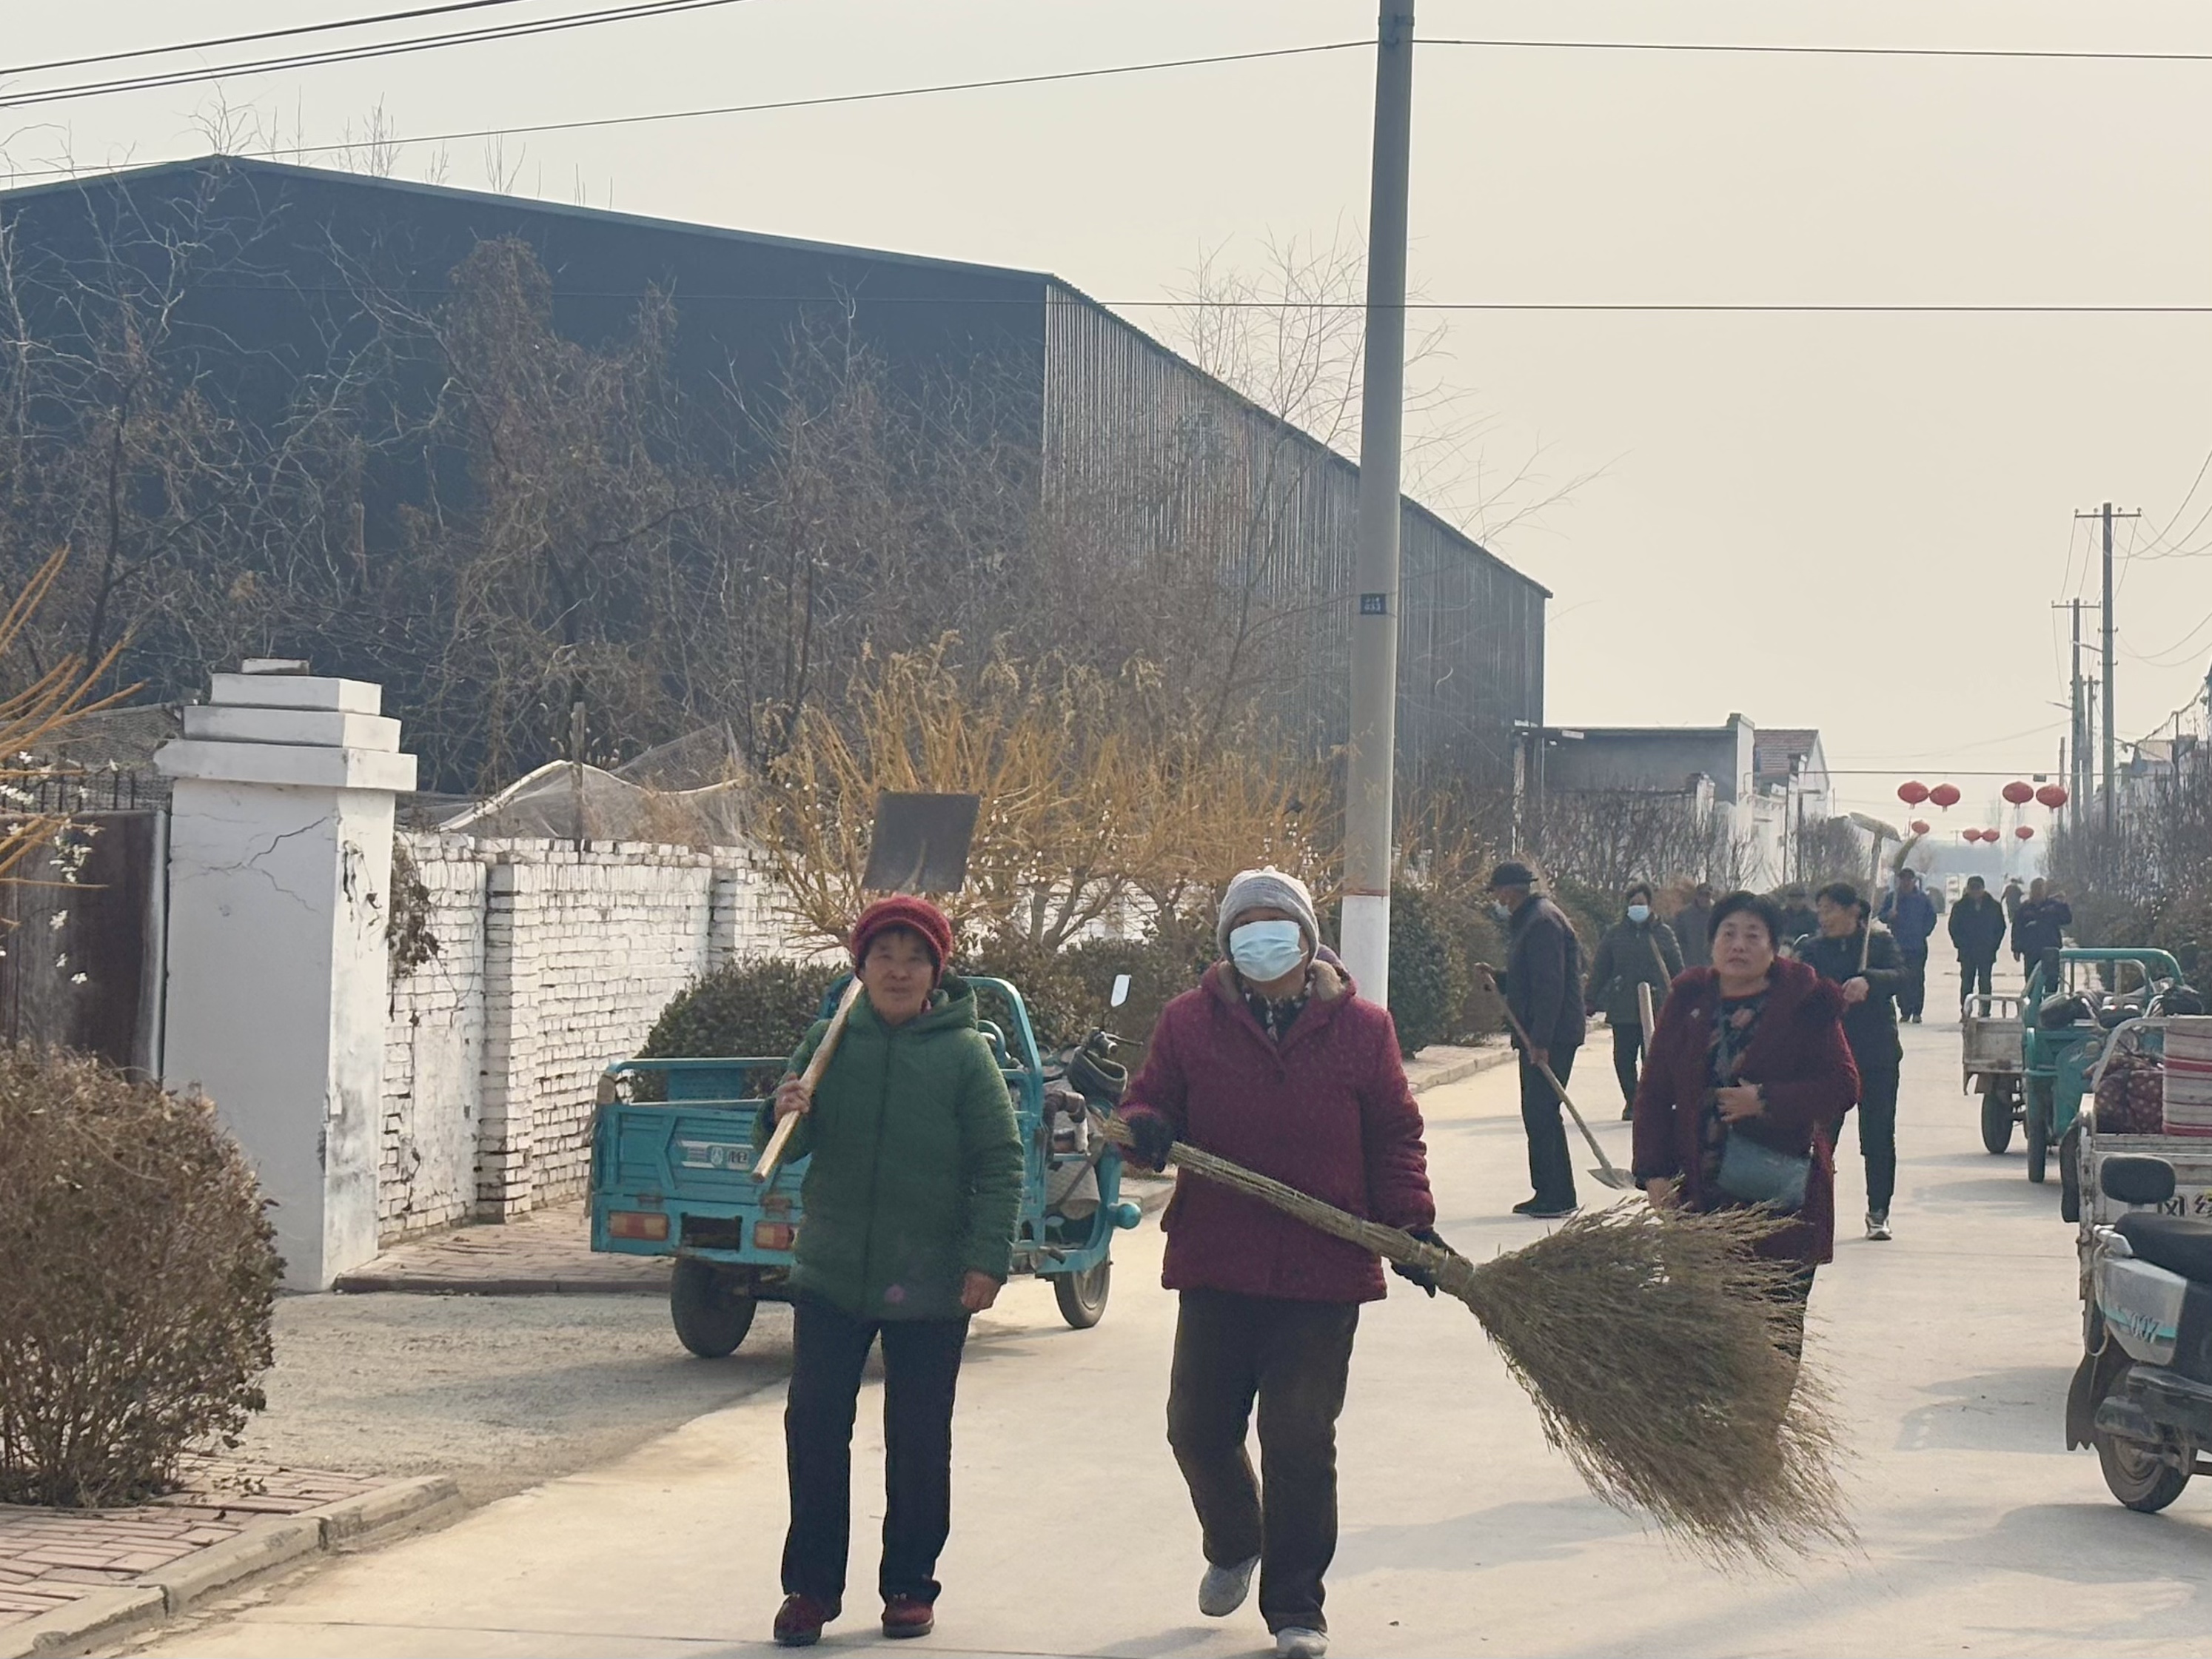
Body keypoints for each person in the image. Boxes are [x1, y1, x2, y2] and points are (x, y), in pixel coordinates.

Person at [1117, 868, 1438, 1659]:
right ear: (1227, 939)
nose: (1261, 936)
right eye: (1246, 923)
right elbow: (1149, 1100)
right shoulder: (1189, 1021)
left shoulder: (1363, 1029)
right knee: (1196, 1428)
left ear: (1306, 936)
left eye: (1276, 921)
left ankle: (1297, 1607)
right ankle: (1235, 1539)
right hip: (1218, 1258)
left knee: (1298, 1438)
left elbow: (1395, 1133)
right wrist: (1146, 1125)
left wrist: (1411, 1223)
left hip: (1321, 1270)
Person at [763, 896, 1024, 1649]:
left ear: (936, 972)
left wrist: (986, 1259)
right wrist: (782, 1109)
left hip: (931, 1279)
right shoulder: (829, 1041)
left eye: (915, 958)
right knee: (814, 1427)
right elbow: (783, 1144)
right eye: (885, 955)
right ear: (862, 966)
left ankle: (910, 1585)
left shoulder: (964, 1053)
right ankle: (810, 1589)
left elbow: (1001, 1161)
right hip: (831, 1272)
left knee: (917, 1438)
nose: (899, 971)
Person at [1630, 892, 1859, 1358]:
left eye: (1753, 936)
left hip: (1778, 1201)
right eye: (1728, 934)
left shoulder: (1807, 1001)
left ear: (1774, 947)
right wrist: (1653, 1173)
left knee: (1772, 1338)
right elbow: (1653, 1093)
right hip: (1699, 1196)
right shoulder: (1689, 999)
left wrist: (1765, 1100)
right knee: (1702, 1340)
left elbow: (1843, 1085)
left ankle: (1767, 1407)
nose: (1739, 945)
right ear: (1712, 943)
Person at [1800, 882, 1906, 1241]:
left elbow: (1902, 976)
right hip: (1827, 1058)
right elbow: (1800, 990)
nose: (1823, 918)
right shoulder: (1812, 949)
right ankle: (1814, 1212)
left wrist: (1869, 981)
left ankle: (1879, 1212)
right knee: (1820, 1139)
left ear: (1853, 911)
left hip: (1876, 1057)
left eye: (1830, 909)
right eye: (1820, 910)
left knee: (1878, 1137)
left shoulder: (1878, 945)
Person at [1487, 859, 1588, 1219]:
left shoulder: (1542, 922)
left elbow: (1550, 986)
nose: (1496, 900)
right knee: (1538, 1112)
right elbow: (1529, 977)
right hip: (1539, 1032)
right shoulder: (1532, 919)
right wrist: (1499, 979)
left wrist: (1541, 1040)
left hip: (1552, 1035)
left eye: (1497, 892)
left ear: (1510, 891)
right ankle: (1547, 1190)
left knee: (1543, 1111)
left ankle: (1558, 1195)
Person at [1585, 882, 1685, 1120]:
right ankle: (1632, 1101)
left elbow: (1677, 970)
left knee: (1652, 1058)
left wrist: (1686, 999)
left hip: (1658, 1007)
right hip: (1624, 1006)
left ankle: (1651, 1101)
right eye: (1632, 904)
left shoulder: (1663, 933)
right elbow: (1601, 969)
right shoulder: (1615, 934)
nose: (1636, 908)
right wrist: (1589, 999)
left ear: (1649, 905)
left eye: (1641, 903)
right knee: (1623, 1059)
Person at [1877, 868, 1937, 1022]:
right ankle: (1905, 1010)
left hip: (1917, 946)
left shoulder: (1922, 899)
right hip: (1898, 945)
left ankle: (1917, 1011)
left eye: (1909, 879)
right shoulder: (1893, 898)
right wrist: (1889, 915)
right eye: (1903, 879)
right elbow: (1881, 916)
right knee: (1901, 978)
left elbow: (1931, 918)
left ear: (1913, 881)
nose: (1906, 882)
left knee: (1917, 979)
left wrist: (1923, 932)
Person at [1948, 874, 2009, 1009]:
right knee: (1967, 982)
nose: (1975, 891)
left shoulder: (1994, 906)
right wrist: (1960, 944)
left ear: (1983, 889)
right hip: (1967, 951)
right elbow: (1953, 927)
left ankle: (1985, 1010)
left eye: (1978, 888)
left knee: (1985, 982)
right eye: (1972, 888)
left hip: (1986, 950)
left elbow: (2000, 927)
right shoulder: (1960, 907)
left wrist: (1994, 945)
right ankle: (1966, 1010)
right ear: (1968, 889)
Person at [2014, 877, 2074, 973]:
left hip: (2050, 948)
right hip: (2031, 950)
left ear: (2045, 890)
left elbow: (2067, 919)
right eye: (2036, 888)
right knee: (2032, 978)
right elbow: (2017, 929)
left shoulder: (2053, 906)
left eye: (2041, 888)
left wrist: (2064, 905)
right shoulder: (2025, 909)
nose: (2038, 892)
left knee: (2051, 978)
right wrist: (2016, 948)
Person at [1674, 883, 1716, 970]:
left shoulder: (1718, 913)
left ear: (1711, 896)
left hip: (1713, 967)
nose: (1704, 898)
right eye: (1701, 895)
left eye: (1707, 895)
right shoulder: (1684, 915)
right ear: (1696, 896)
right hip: (1690, 966)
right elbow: (1678, 941)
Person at [1776, 885, 1819, 953]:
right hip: (1784, 950)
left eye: (1799, 899)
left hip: (1806, 951)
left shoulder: (1813, 917)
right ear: (1788, 900)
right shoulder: (1780, 916)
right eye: (1792, 900)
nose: (1796, 902)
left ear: (1805, 900)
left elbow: (1817, 936)